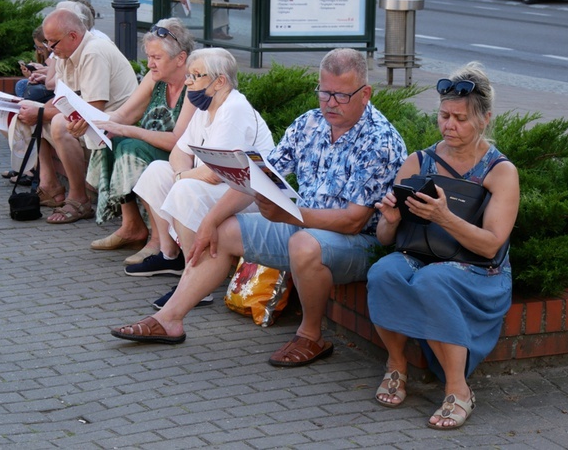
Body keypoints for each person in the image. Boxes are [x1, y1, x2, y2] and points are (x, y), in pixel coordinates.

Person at [111, 48, 407, 369]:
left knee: (304, 244)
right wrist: (211, 221)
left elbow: (352, 221)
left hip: (357, 242)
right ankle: (169, 320)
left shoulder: (379, 140)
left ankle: (311, 335)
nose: (330, 103)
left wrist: (288, 215)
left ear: (365, 94)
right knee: (223, 232)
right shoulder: (309, 123)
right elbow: (258, 179)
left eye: (341, 95)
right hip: (303, 227)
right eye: (324, 92)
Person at [366, 62, 520, 430]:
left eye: (461, 118)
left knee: (432, 281)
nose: (449, 125)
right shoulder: (418, 162)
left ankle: (458, 389)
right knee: (383, 272)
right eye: (444, 115)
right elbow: (387, 241)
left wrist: (444, 216)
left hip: (481, 271)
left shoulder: (500, 171)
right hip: (421, 256)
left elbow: (491, 246)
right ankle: (396, 364)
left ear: (484, 119)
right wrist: (388, 222)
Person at [128, 47, 275, 291]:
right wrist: (181, 175)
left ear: (219, 81)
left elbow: (215, 174)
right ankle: (170, 256)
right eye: (189, 75)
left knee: (185, 189)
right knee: (156, 172)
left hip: (247, 196)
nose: (188, 82)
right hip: (219, 186)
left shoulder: (234, 109)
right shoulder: (206, 107)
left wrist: (183, 177)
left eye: (195, 76)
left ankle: (195, 282)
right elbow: (179, 152)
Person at [86, 18, 196, 259]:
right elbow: (125, 114)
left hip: (181, 158)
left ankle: (157, 240)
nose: (150, 64)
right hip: (155, 149)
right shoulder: (155, 77)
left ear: (180, 58)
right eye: (149, 56)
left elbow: (178, 141)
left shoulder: (194, 84)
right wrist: (96, 122)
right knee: (111, 141)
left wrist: (129, 130)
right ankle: (131, 226)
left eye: (156, 58)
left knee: (130, 147)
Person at [16, 8, 138, 223]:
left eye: (53, 43)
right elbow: (61, 99)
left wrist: (41, 112)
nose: (50, 49)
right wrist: (37, 109)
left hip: (112, 128)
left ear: (72, 36)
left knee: (57, 122)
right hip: (94, 122)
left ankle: (79, 198)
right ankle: (50, 185)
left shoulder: (93, 52)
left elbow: (93, 109)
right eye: (47, 43)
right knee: (32, 112)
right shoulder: (66, 52)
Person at [14, 26, 54, 105]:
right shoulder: (49, 57)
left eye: (41, 48)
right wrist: (32, 74)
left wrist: (44, 70)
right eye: (37, 47)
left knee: (22, 85)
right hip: (49, 84)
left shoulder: (55, 54)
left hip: (54, 88)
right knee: (22, 84)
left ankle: (25, 107)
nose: (39, 52)